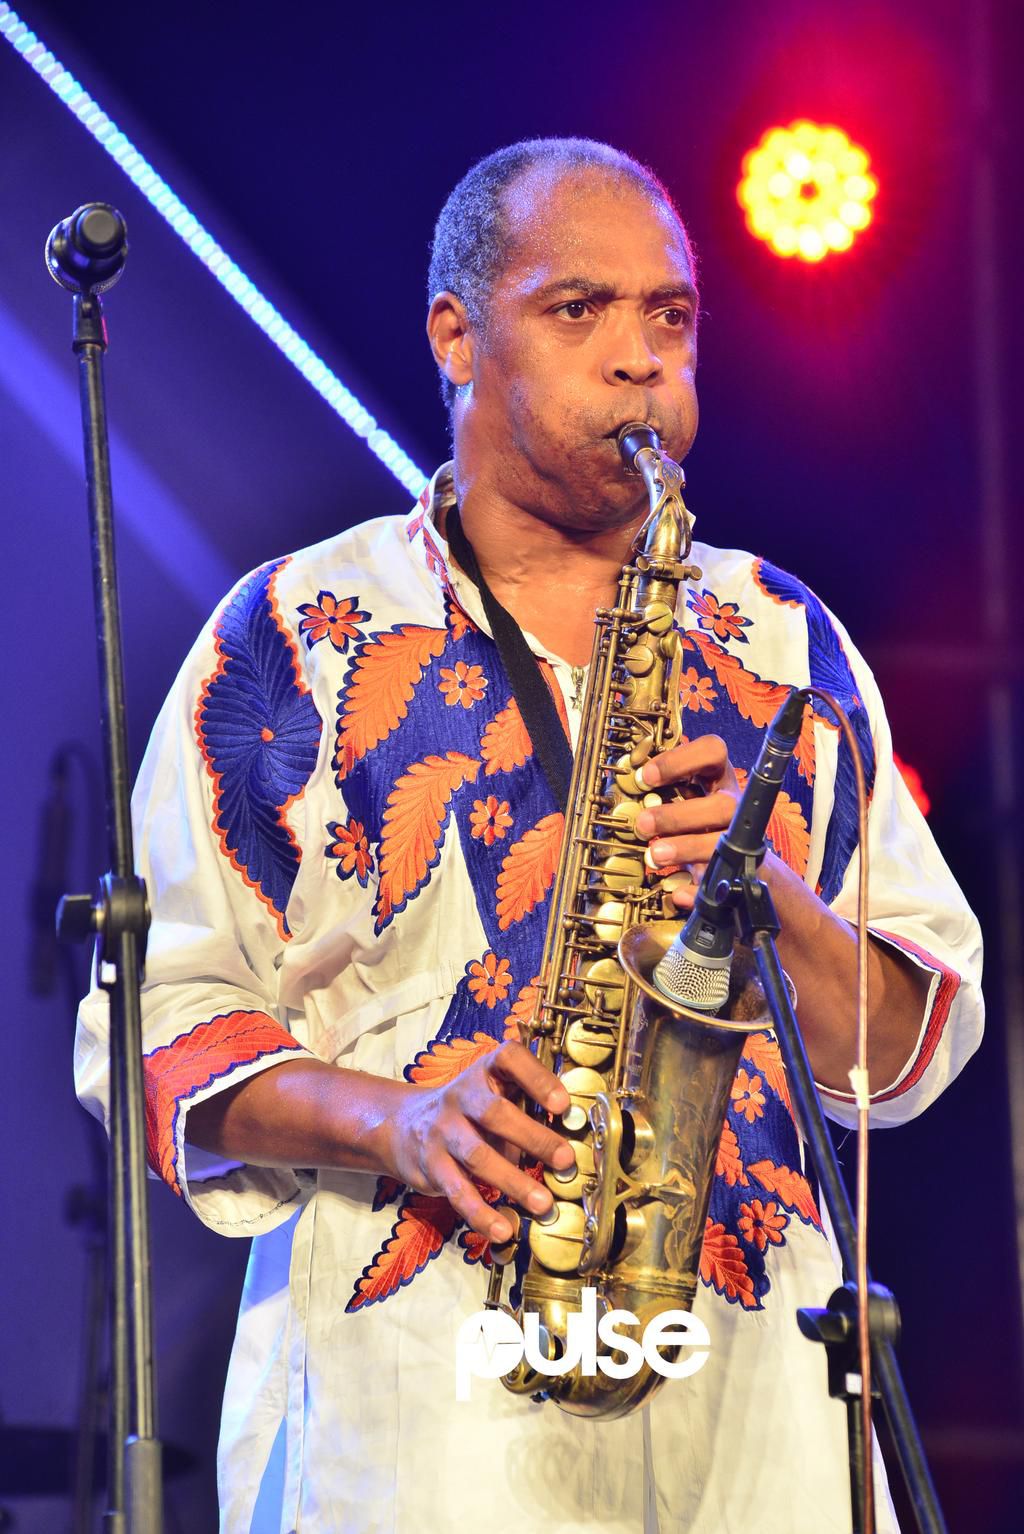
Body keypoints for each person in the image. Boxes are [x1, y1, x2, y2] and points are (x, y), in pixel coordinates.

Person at [76, 138, 983, 1533]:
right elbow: (151, 1026)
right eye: (580, 310)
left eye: (669, 316)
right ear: (457, 334)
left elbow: (912, 1039)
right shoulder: (296, 628)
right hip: (423, 1430)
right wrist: (401, 1119)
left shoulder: (787, 638)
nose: (640, 361)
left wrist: (771, 912)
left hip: (754, 1427)